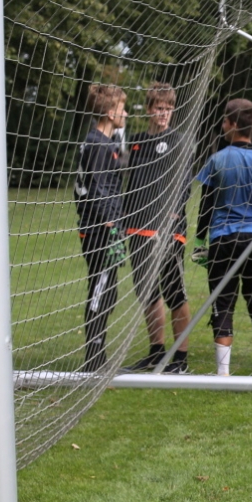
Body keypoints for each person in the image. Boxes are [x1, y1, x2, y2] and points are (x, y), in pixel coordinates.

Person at [193, 98, 252, 377]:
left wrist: (199, 242)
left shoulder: (217, 160)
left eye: (224, 120)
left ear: (232, 124)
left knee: (223, 303)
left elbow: (207, 204)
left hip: (223, 242)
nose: (222, 124)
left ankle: (223, 374)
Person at [122, 82, 192, 374]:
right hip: (138, 229)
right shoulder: (135, 143)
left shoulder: (178, 142)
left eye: (168, 109)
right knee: (147, 292)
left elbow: (185, 186)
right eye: (159, 108)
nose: (164, 114)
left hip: (168, 230)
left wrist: (172, 216)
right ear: (149, 110)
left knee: (174, 291)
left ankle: (181, 358)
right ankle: (156, 352)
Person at [75, 83, 128, 373]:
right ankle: (93, 360)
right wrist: (110, 221)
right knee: (101, 287)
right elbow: (95, 186)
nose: (126, 113)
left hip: (103, 225)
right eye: (122, 108)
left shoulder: (102, 141)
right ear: (110, 112)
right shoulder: (97, 143)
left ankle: (99, 357)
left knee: (108, 290)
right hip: (98, 229)